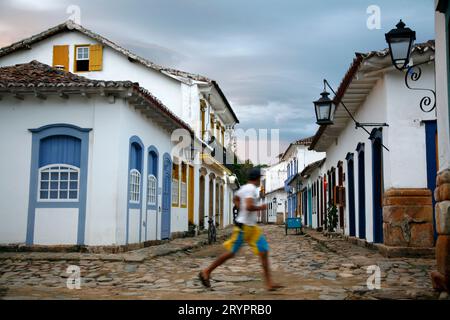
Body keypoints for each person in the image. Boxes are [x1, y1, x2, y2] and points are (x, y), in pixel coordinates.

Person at [199, 167, 283, 291]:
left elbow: (236, 199)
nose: (260, 181)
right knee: (231, 253)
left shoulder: (243, 188)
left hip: (251, 227)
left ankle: (269, 284)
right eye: (260, 178)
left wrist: (240, 208)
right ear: (257, 178)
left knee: (264, 251)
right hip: (244, 227)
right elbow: (249, 206)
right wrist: (261, 207)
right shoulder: (251, 189)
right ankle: (206, 272)